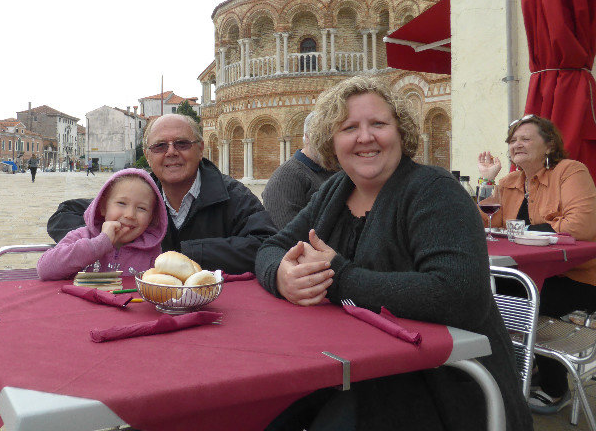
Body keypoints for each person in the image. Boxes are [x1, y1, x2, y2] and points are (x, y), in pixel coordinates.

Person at [255, 76, 531, 431]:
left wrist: (339, 277)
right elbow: (270, 247)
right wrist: (282, 275)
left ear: (401, 132)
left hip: (441, 383)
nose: (365, 137)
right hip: (355, 368)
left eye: (379, 124)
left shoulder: (433, 191)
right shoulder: (336, 191)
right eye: (349, 127)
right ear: (331, 141)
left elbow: (458, 295)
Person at [46, 114, 277, 273]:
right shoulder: (139, 194)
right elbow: (66, 213)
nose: (171, 152)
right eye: (160, 147)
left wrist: (182, 253)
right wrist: (109, 241)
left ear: (201, 150)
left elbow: (268, 245)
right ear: (148, 156)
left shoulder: (233, 195)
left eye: (182, 144)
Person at [478, 113, 596, 414]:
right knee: (488, 295)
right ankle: (516, 370)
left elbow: (582, 225)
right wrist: (488, 180)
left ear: (549, 145)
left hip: (581, 276)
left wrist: (527, 231)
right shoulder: (509, 183)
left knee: (525, 301)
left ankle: (556, 389)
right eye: (513, 140)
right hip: (531, 273)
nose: (516, 144)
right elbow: (478, 223)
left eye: (525, 139)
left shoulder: (570, 171)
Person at [37, 168, 166, 280]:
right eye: (121, 203)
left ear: (152, 218)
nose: (130, 214)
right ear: (103, 207)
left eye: (142, 208)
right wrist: (99, 243)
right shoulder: (82, 236)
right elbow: (44, 269)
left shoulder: (152, 250)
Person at [262, 111, 336, 229]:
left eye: (331, 138)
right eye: (319, 138)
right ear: (306, 137)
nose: (325, 145)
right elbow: (286, 236)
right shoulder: (286, 178)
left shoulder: (338, 168)